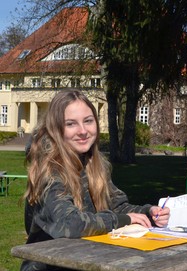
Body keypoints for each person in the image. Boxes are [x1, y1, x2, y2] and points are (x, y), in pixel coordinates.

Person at [22, 90, 170, 271]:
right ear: (56, 129)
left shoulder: (93, 162)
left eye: (88, 121)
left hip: (86, 261)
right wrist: (122, 220)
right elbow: (70, 224)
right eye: (71, 124)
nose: (83, 131)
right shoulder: (50, 170)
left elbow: (117, 206)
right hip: (50, 266)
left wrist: (148, 212)